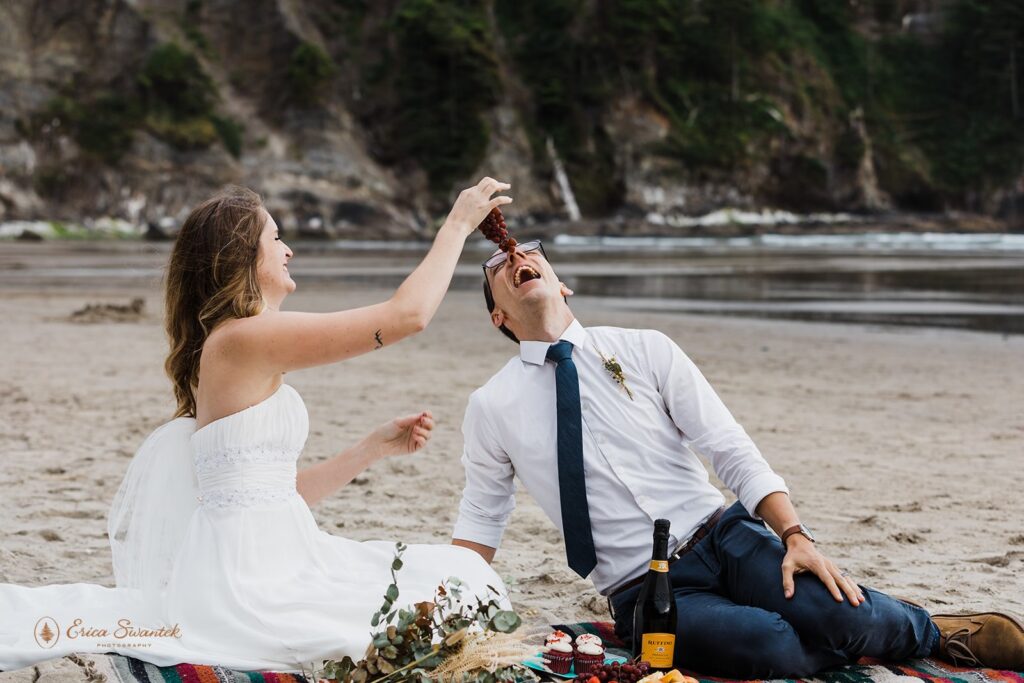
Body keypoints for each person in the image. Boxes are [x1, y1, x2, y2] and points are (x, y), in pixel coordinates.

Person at [0, 178, 514, 674]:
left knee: (465, 579)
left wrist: (369, 448)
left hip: (282, 555)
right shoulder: (241, 340)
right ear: (242, 256)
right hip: (248, 581)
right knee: (460, 590)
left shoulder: (239, 341)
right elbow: (407, 316)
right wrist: (456, 225)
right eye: (276, 237)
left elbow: (269, 497)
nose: (289, 250)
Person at [451, 239, 1024, 677]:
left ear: (561, 284)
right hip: (643, 591)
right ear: (498, 316)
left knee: (844, 617)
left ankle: (933, 633)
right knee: (767, 643)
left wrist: (796, 536)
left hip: (725, 537)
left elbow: (728, 446)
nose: (514, 256)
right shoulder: (491, 406)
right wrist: (445, 606)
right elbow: (481, 518)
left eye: (530, 253)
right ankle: (858, 637)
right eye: (496, 267)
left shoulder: (646, 348)